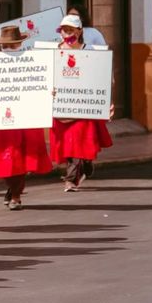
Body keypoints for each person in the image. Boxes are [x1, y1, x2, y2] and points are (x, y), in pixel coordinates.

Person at [0, 26, 52, 210]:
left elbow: (40, 84)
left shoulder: (31, 62)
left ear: (19, 44)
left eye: (12, 45)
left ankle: (16, 194)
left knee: (20, 158)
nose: (8, 48)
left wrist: (48, 92)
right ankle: (12, 189)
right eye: (5, 45)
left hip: (25, 119)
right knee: (4, 158)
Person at [50, 15, 113, 191]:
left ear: (79, 32)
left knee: (77, 141)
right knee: (68, 143)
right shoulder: (53, 52)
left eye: (70, 30)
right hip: (61, 107)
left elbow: (103, 78)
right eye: (64, 30)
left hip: (84, 106)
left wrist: (107, 101)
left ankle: (71, 179)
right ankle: (83, 165)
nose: (67, 34)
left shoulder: (91, 51)